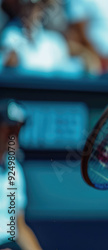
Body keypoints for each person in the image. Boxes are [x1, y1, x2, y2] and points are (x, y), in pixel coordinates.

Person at [0, 99, 41, 250]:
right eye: (9, 129)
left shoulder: (15, 170)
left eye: (18, 129)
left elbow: (20, 227)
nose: (14, 135)